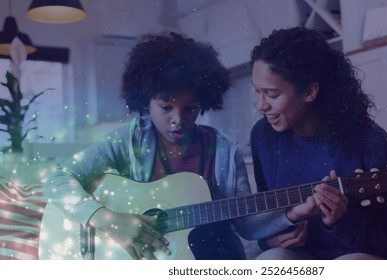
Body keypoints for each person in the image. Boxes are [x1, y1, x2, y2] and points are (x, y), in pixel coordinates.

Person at [42, 32, 290, 260]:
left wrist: (292, 214)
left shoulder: (225, 150)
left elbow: (246, 223)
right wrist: (107, 219)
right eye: (165, 106)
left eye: (190, 108)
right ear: (146, 101)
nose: (178, 119)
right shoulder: (127, 140)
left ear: (203, 102)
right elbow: (58, 179)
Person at [249, 27, 387, 260]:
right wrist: (269, 239)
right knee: (269, 261)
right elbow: (267, 211)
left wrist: (342, 219)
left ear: (309, 91)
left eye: (272, 94)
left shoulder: (371, 141)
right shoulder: (262, 136)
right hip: (305, 257)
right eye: (257, 92)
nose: (260, 105)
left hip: (359, 258)